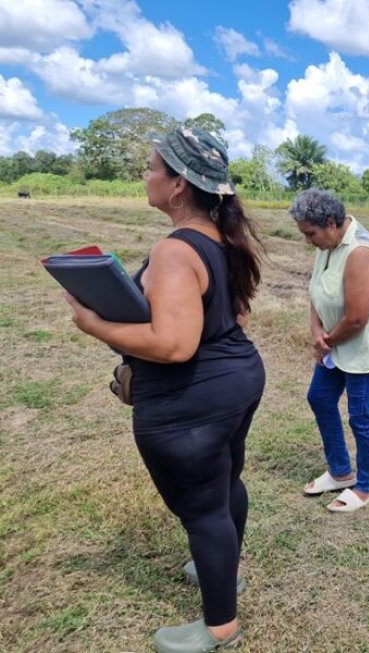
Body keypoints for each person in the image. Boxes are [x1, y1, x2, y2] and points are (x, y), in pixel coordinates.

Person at [63, 127, 265, 653]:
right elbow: (235, 314)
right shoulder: (221, 239)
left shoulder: (175, 250)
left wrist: (94, 324)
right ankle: (223, 571)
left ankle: (221, 627)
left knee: (202, 510)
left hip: (193, 398)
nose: (145, 175)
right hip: (237, 378)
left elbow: (174, 344)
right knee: (225, 484)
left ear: (178, 185)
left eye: (152, 167)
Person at [290, 189, 369, 512]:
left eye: (310, 234)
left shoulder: (360, 251)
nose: (308, 241)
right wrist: (316, 332)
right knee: (320, 398)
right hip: (335, 341)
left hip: (363, 346)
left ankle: (365, 488)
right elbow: (317, 292)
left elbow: (357, 318)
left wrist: (326, 341)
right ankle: (340, 472)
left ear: (330, 222)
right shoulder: (327, 245)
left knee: (361, 416)